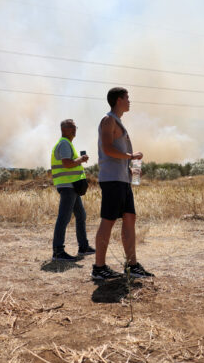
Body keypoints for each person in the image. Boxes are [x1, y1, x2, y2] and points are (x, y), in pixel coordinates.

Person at [91, 87, 155, 280]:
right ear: (118, 100)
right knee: (108, 221)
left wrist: (131, 168)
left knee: (129, 218)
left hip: (122, 179)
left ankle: (132, 265)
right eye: (127, 98)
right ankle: (99, 267)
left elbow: (117, 152)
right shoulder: (108, 120)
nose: (129, 101)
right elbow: (107, 148)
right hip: (111, 179)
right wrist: (131, 156)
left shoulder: (118, 122)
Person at [50, 119, 95, 261]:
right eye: (71, 127)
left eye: (75, 127)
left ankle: (83, 247)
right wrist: (81, 160)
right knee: (64, 218)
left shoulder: (67, 143)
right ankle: (58, 251)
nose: (74, 129)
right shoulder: (64, 143)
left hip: (71, 186)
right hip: (67, 186)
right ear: (64, 129)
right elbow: (67, 163)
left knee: (80, 215)